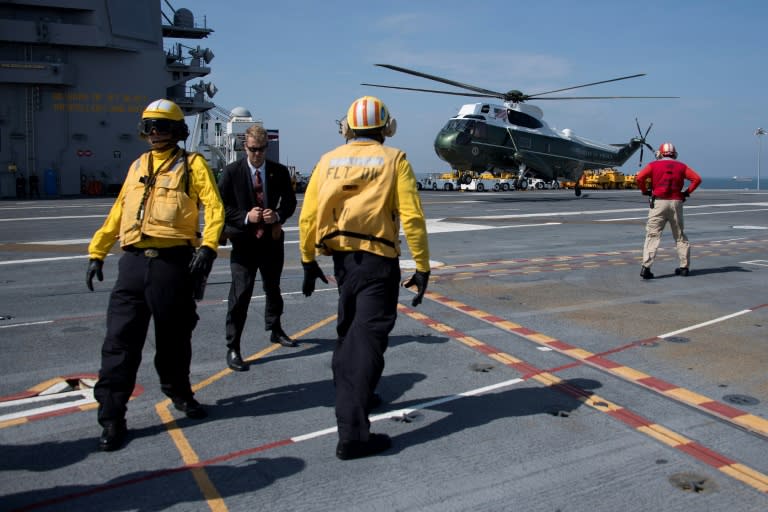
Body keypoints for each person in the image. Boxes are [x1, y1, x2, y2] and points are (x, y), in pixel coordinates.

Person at [85, 99, 224, 452]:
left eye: (162, 127)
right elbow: (119, 210)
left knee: (174, 338)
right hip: (131, 265)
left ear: (178, 131)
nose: (155, 133)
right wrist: (97, 251)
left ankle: (179, 392)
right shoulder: (137, 166)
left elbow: (215, 206)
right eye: (150, 127)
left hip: (173, 264)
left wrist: (208, 247)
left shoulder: (193, 165)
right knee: (119, 342)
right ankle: (112, 416)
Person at [299, 95, 431, 460]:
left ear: (348, 127)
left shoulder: (327, 160)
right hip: (377, 264)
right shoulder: (395, 160)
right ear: (387, 128)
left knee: (350, 331)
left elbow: (308, 216)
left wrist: (307, 259)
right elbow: (412, 217)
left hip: (343, 264)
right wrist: (422, 265)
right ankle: (354, 436)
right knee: (365, 342)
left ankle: (362, 394)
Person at [217, 124, 298, 372]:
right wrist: (245, 216)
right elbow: (220, 206)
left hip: (271, 241)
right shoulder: (231, 173)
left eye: (262, 149)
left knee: (273, 288)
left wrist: (277, 215)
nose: (258, 154)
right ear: (245, 147)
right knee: (240, 294)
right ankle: (234, 347)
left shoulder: (279, 172)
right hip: (244, 243)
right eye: (253, 150)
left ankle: (275, 328)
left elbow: (291, 202)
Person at [636, 142, 702, 279]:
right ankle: (684, 267)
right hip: (676, 203)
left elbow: (640, 177)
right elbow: (697, 179)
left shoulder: (654, 165)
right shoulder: (682, 166)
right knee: (679, 236)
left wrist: (645, 191)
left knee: (653, 235)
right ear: (674, 154)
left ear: (660, 153)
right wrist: (686, 193)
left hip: (659, 202)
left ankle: (646, 267)